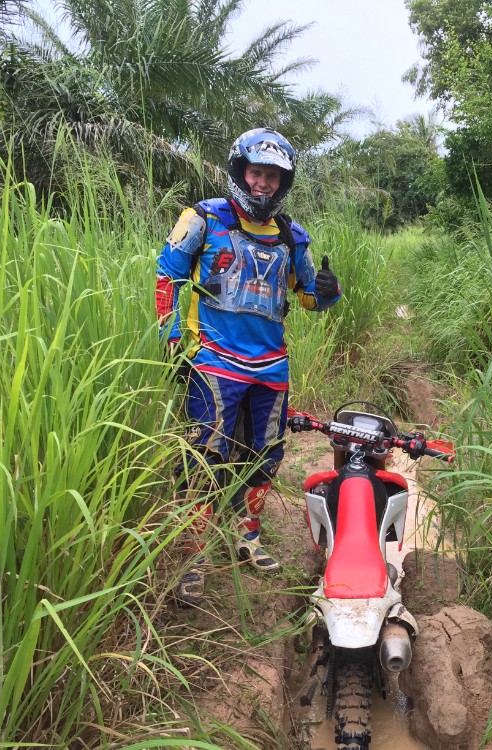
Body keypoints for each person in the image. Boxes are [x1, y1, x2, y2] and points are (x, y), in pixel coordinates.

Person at [155, 127, 341, 605]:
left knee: (267, 454)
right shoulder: (202, 218)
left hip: (271, 367)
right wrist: (171, 340)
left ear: (283, 183)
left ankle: (249, 535)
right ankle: (194, 556)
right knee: (205, 457)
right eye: (257, 173)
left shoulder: (292, 236)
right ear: (240, 172)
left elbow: (308, 297)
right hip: (213, 360)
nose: (263, 184)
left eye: (273, 177)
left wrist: (328, 289)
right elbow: (167, 277)